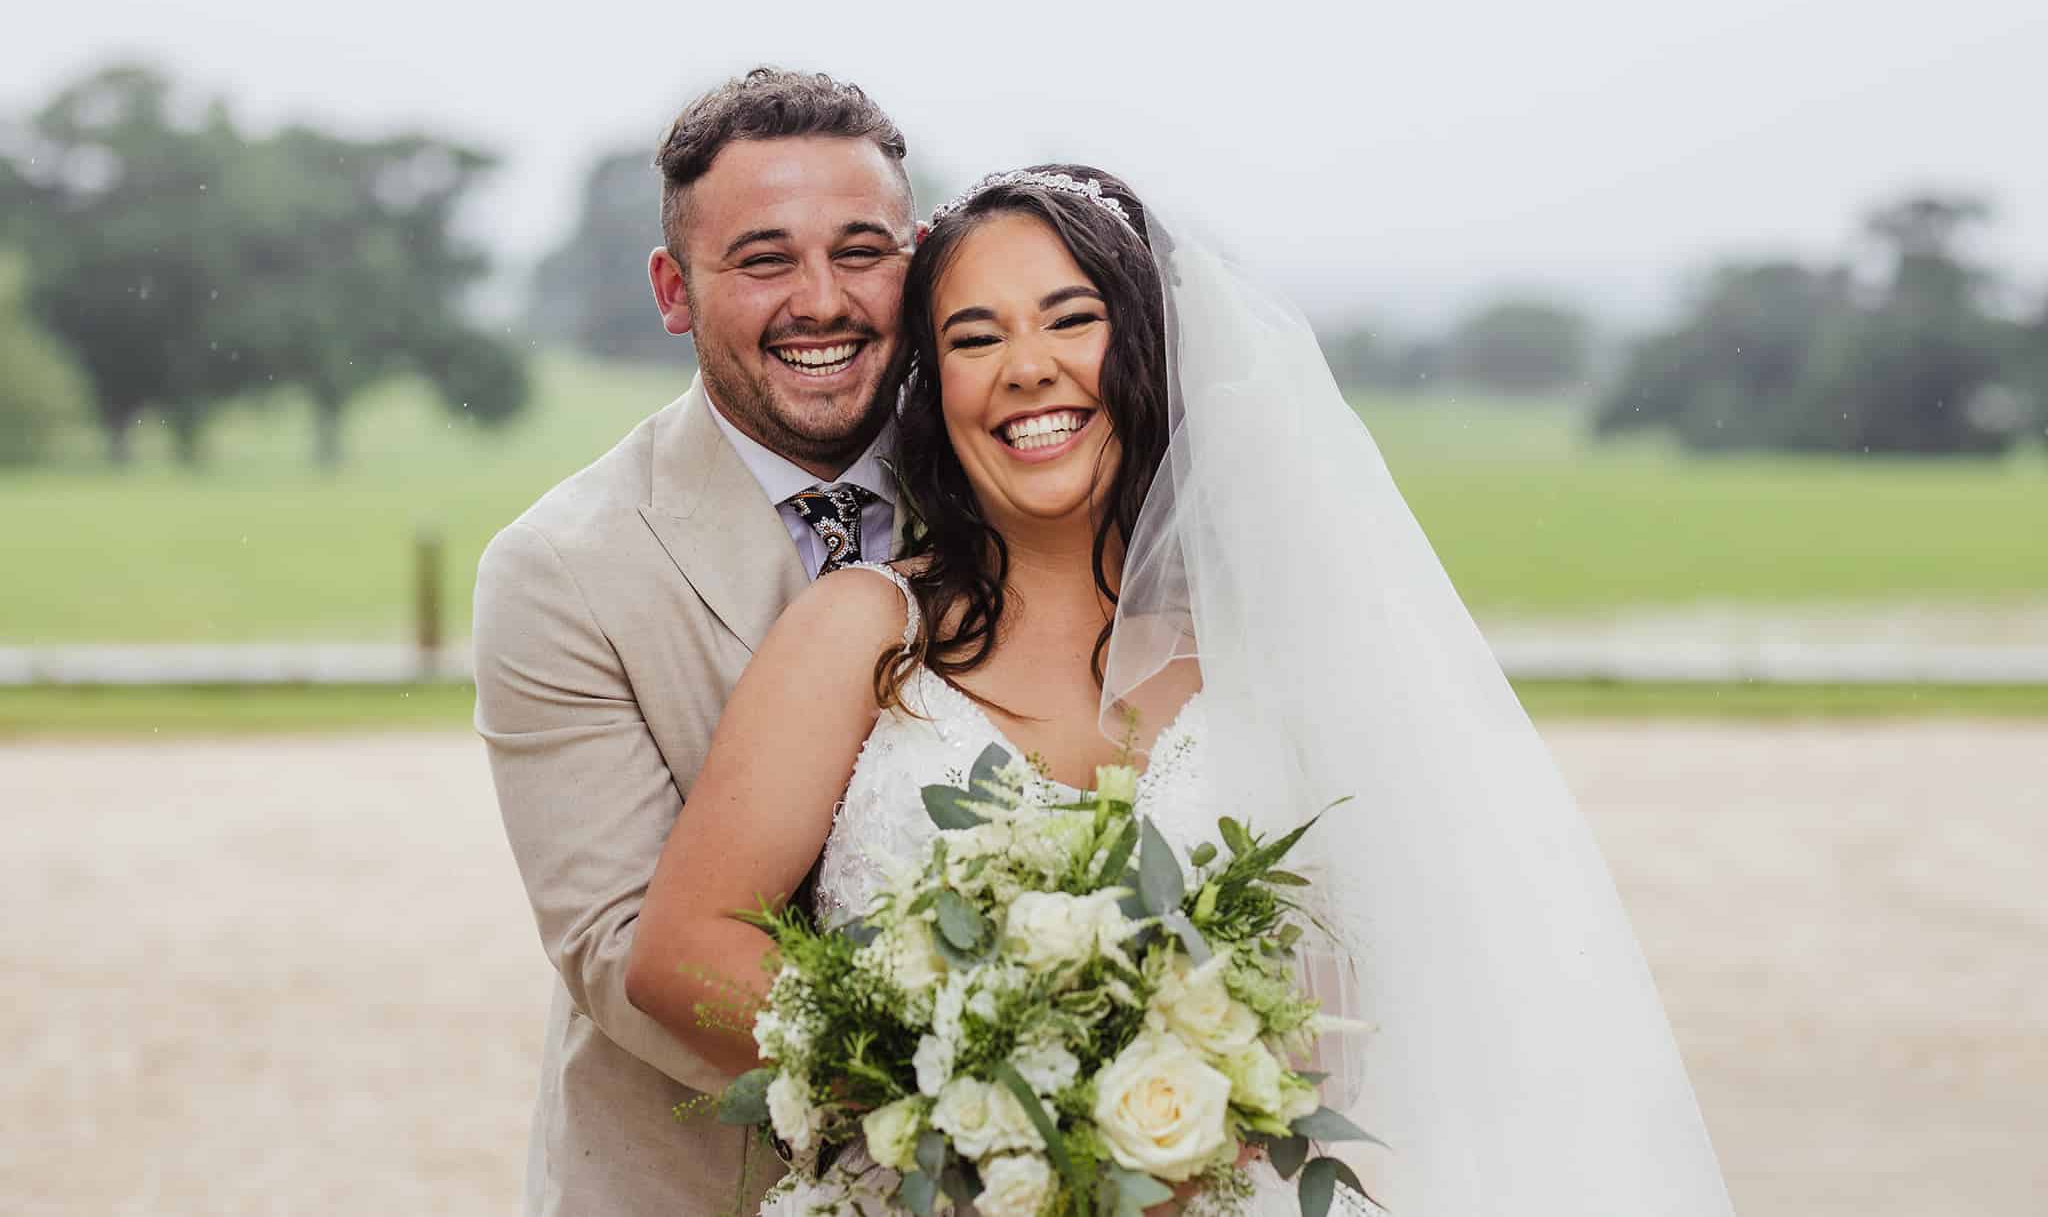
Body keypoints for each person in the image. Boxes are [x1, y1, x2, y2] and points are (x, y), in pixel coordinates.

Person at [627, 164, 1739, 1215]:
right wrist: (985, 1113)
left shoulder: (1275, 652)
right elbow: (681, 951)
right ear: (935, 386)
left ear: (1149, 352)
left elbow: (1372, 985)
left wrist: (1196, 1112)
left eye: (1070, 320)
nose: (1026, 367)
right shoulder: (863, 633)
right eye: (975, 336)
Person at [473, 67, 917, 1217]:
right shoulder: (558, 568)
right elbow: (619, 949)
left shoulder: (1024, 488)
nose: (821, 300)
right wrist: (972, 1095)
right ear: (674, 290)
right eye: (764, 261)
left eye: (861, 252)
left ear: (915, 262)